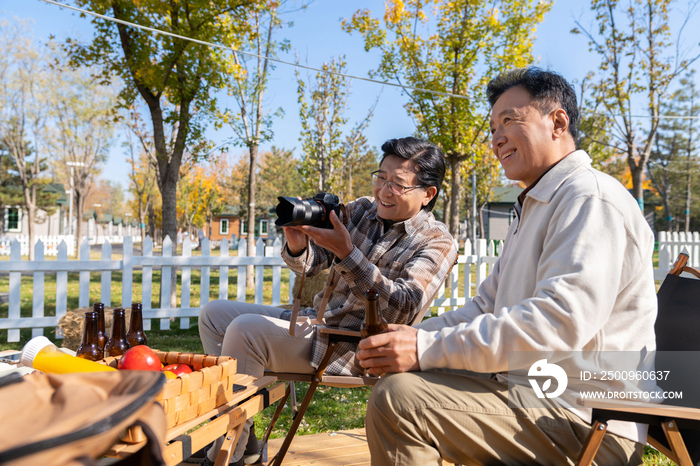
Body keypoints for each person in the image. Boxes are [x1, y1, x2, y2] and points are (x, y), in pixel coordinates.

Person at [357, 68, 657, 465]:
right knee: (401, 383)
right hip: (535, 394)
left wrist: (423, 348)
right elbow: (484, 308)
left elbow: (558, 324)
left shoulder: (589, 199)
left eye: (510, 120)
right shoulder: (536, 205)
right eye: (493, 126)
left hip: (589, 420)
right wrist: (410, 337)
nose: (496, 138)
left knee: (401, 401)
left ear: (558, 122)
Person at [196, 136, 458, 466]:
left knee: (244, 331)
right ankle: (243, 440)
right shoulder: (363, 209)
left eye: (398, 184)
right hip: (316, 321)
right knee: (213, 314)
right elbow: (314, 262)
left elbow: (401, 306)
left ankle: (226, 454)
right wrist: (297, 246)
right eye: (381, 177)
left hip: (355, 345)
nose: (383, 191)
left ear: (428, 194)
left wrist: (348, 253)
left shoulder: (437, 241)